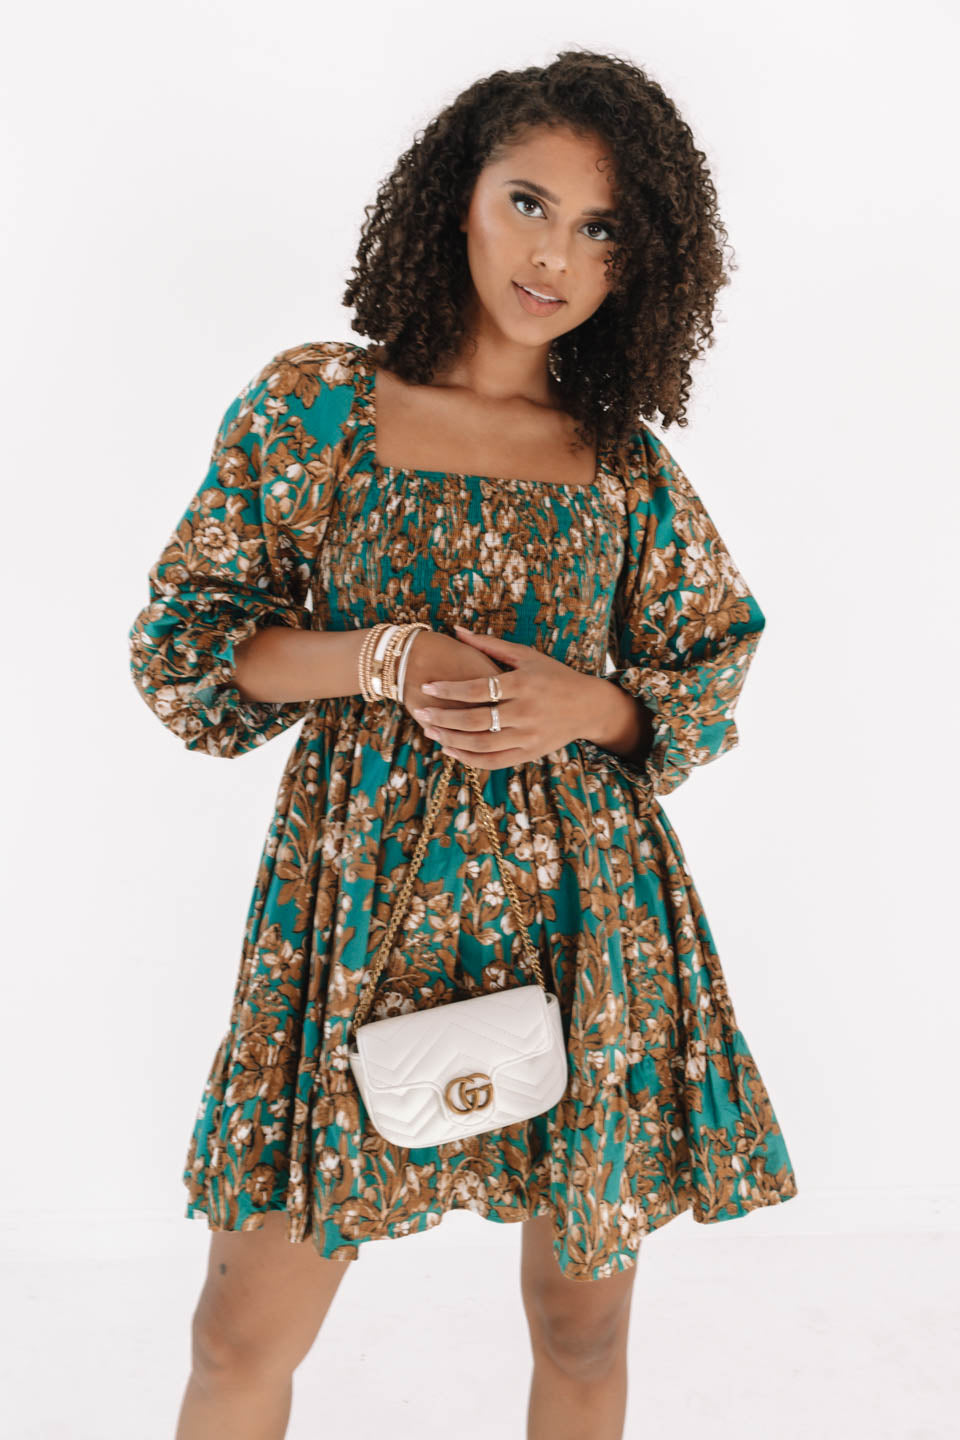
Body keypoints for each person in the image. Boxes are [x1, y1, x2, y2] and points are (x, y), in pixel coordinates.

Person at [128, 47, 798, 1440]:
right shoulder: (318, 406)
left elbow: (709, 662)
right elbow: (191, 647)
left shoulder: (621, 462)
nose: (555, 255)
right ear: (458, 199)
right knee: (240, 1331)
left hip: (584, 917)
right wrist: (381, 657)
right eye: (529, 203)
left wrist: (589, 706)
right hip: (356, 910)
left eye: (602, 229)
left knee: (580, 1325)